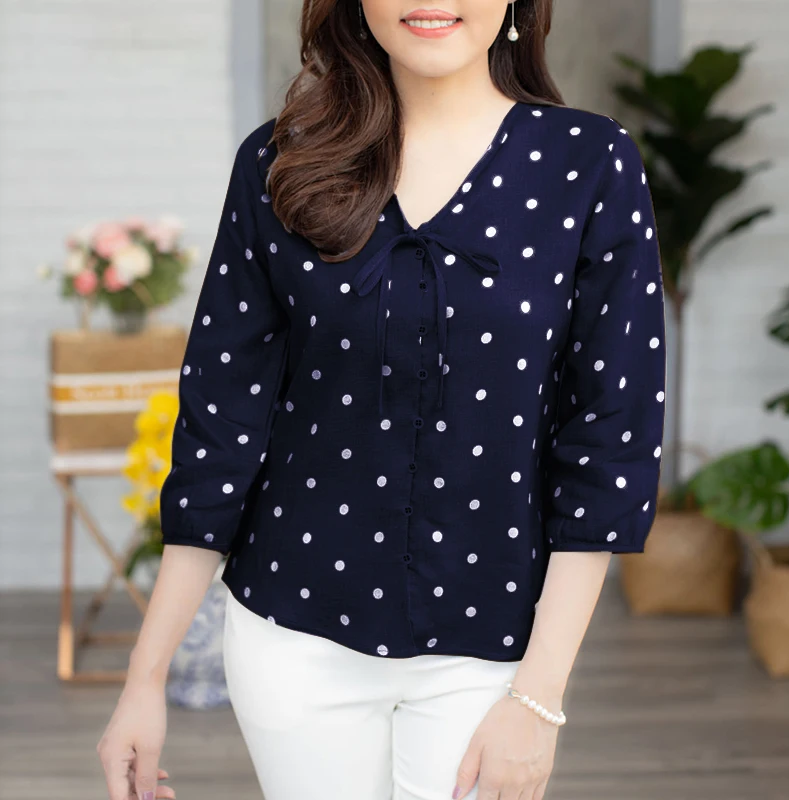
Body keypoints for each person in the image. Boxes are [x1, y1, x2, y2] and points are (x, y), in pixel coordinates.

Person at [97, 0, 667, 798]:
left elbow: (608, 441)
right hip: (291, 642)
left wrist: (539, 698)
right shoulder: (278, 163)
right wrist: (145, 678)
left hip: (495, 651)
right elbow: (220, 435)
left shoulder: (590, 163)